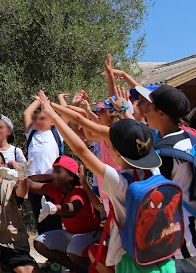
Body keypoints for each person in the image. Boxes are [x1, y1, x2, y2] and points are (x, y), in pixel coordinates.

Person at [37, 90, 174, 272]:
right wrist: (124, 110)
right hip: (163, 256)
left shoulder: (119, 182)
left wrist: (52, 113)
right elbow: (136, 133)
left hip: (133, 259)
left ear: (115, 152)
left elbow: (81, 150)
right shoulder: (154, 171)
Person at [147, 84, 196, 272]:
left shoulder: (162, 153)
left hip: (182, 238)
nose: (146, 112)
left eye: (150, 108)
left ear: (161, 114)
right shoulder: (190, 139)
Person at [29, 156, 103, 271]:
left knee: (74, 251)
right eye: (53, 171)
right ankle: (77, 269)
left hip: (91, 234)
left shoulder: (78, 191)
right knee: (40, 243)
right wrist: (19, 176)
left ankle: (93, 270)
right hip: (71, 234)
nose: (54, 175)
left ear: (71, 176)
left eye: (58, 172)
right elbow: (32, 186)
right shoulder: (55, 189)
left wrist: (55, 208)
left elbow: (73, 207)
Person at [23, 97, 63, 237]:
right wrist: (39, 101)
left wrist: (56, 101)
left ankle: (57, 248)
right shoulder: (31, 134)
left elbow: (65, 114)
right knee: (40, 219)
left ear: (52, 121)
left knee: (54, 219)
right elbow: (26, 114)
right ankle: (44, 247)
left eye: (42, 118)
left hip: (52, 183)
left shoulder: (57, 134)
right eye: (36, 119)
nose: (37, 121)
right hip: (34, 184)